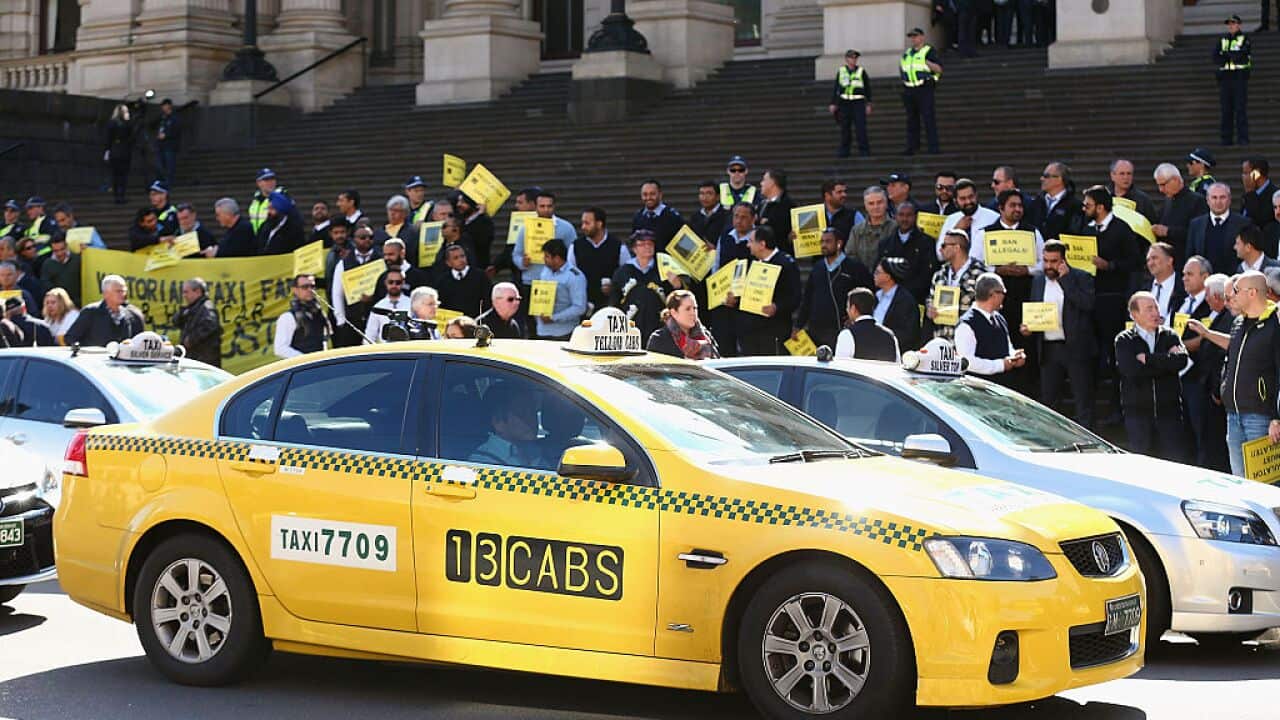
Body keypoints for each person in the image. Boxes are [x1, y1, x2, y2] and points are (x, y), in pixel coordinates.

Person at [1020, 240, 1097, 428]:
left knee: (1083, 401)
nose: (1048, 266)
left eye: (1053, 261)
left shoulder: (1081, 277)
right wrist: (1028, 328)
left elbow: (1087, 305)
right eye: (1045, 261)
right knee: (1049, 401)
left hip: (1075, 348)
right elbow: (1035, 310)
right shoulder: (1038, 281)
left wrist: (1066, 280)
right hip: (1048, 348)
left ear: (1064, 260)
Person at [1116, 291, 1189, 458]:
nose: (1155, 313)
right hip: (1138, 415)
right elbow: (1131, 371)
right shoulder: (1125, 340)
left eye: (1156, 307)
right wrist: (1166, 363)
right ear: (1134, 315)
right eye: (1149, 309)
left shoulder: (1169, 335)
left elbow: (1181, 361)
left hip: (1169, 414)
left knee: (1174, 461)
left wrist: (1148, 359)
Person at [974, 188, 1045, 342]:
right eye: (1013, 205)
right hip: (993, 296)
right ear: (1001, 208)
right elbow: (974, 264)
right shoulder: (984, 234)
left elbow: (1044, 262)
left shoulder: (1033, 232)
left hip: (1025, 295)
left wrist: (1027, 270)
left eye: (1020, 206)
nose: (1018, 209)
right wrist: (997, 270)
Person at [1185, 273, 1234, 471]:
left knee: (1217, 444)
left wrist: (1217, 390)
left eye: (1207, 295)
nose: (1205, 299)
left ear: (1217, 296)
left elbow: (1223, 356)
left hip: (1217, 393)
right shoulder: (1220, 316)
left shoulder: (1230, 318)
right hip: (1208, 388)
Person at [796, 227, 873, 349]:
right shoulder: (817, 267)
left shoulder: (854, 267)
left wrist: (854, 317)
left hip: (842, 330)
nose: (824, 245)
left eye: (828, 241)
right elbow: (807, 299)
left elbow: (866, 296)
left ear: (839, 243)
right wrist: (798, 325)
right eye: (822, 242)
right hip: (817, 330)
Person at [730, 225, 801, 356]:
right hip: (750, 333)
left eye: (751, 241)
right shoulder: (750, 262)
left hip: (774, 332)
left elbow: (795, 297)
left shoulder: (786, 263)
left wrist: (777, 307)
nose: (747, 245)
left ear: (762, 244)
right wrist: (734, 298)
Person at [956, 273, 1025, 386]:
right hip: (978, 390)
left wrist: (1015, 357)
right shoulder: (967, 324)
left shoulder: (999, 318)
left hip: (1003, 388)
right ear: (993, 295)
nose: (1004, 296)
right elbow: (967, 361)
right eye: (1003, 292)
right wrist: (1000, 365)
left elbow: (1007, 348)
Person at [927, 228, 987, 341]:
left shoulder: (980, 275)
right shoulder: (940, 274)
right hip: (942, 338)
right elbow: (930, 298)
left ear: (957, 248)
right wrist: (930, 308)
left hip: (970, 340)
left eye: (944, 245)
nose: (940, 249)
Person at [611, 230, 669, 341]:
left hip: (658, 326)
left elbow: (673, 297)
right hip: (630, 327)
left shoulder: (664, 268)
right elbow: (615, 300)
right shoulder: (623, 271)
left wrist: (676, 284)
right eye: (642, 244)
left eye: (650, 244)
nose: (647, 247)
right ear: (634, 248)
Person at [529, 238, 587, 341]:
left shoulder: (574, 276)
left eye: (547, 256)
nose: (544, 259)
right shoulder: (545, 271)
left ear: (557, 258)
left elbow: (579, 307)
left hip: (563, 333)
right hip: (542, 331)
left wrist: (554, 317)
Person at [1188, 183, 1252, 276]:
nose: (1218, 202)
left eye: (1222, 197)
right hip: (1204, 283)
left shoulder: (1243, 224)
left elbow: (1248, 255)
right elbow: (1191, 255)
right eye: (1214, 197)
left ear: (1229, 200)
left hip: (1234, 281)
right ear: (1207, 200)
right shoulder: (1196, 224)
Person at [576, 206, 631, 312]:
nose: (583, 227)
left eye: (587, 223)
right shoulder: (576, 246)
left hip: (611, 306)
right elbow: (572, 275)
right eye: (582, 223)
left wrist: (614, 287)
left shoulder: (618, 246)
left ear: (599, 224)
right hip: (585, 307)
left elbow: (627, 274)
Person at [64, 274, 145, 346]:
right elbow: (70, 338)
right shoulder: (91, 312)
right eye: (118, 291)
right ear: (106, 293)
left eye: (124, 291)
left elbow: (139, 344)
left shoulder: (133, 315)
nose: (123, 294)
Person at [879, 201, 935, 303]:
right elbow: (880, 271)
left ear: (915, 217)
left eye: (909, 215)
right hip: (889, 298)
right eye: (901, 215)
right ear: (895, 216)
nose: (905, 219)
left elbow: (927, 274)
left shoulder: (927, 242)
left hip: (917, 298)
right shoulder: (885, 244)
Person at [470, 391, 544, 468]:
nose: (531, 419)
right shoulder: (483, 461)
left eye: (533, 412)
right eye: (522, 414)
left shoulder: (535, 449)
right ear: (498, 423)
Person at [1153, 163, 1210, 262]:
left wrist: (1168, 231)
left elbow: (1198, 234)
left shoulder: (1197, 201)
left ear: (1175, 180)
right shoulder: (1168, 201)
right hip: (1168, 260)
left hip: (1187, 260)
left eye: (1163, 185)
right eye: (1158, 185)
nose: (1160, 190)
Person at [900, 27, 942, 155]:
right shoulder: (907, 53)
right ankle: (912, 147)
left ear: (922, 37)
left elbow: (939, 69)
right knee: (911, 120)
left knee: (928, 118)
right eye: (911, 37)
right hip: (909, 89)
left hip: (924, 88)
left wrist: (928, 63)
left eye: (916, 36)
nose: (913, 39)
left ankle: (933, 147)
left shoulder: (929, 51)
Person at [647, 290, 719, 359]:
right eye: (688, 309)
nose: (693, 313)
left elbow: (718, 362)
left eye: (695, 308)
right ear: (674, 312)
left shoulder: (705, 335)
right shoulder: (659, 339)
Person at [835, 287, 900, 361]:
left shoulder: (847, 334)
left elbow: (840, 368)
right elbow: (897, 367)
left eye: (847, 307)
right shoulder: (891, 336)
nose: (847, 310)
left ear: (853, 309)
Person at [828, 50, 872, 158]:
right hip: (845, 103)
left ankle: (864, 150)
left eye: (855, 58)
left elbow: (867, 88)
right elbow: (836, 88)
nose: (853, 60)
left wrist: (869, 103)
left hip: (858, 103)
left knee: (860, 128)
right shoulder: (841, 71)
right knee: (845, 128)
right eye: (851, 58)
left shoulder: (861, 71)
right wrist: (833, 103)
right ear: (847, 59)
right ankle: (844, 150)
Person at [1215, 15, 1252, 147]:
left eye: (1233, 23)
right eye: (1229, 24)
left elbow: (1240, 56)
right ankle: (1226, 140)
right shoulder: (1223, 39)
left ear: (1239, 25)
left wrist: (1226, 55)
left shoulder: (1245, 39)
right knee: (1226, 111)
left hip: (1239, 78)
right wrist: (1230, 55)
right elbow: (1215, 56)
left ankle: (1243, 139)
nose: (1231, 26)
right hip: (1225, 79)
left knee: (1240, 110)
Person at [274, 274, 330, 358]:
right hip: (301, 367)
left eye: (312, 286)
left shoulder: (319, 313)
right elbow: (280, 349)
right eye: (305, 287)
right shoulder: (288, 317)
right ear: (295, 290)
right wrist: (305, 360)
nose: (310, 290)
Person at [873, 256, 921, 353]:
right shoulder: (875, 296)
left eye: (878, 272)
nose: (874, 275)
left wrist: (883, 340)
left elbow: (909, 334)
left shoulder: (906, 301)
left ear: (888, 277)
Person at [1026, 161, 1082, 241]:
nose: (1041, 179)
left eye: (1046, 176)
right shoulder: (1036, 203)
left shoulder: (1074, 206)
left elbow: (1074, 233)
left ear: (1059, 179)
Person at [173, 278, 221, 367]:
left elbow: (209, 325)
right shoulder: (193, 307)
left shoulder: (206, 307)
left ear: (198, 292)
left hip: (204, 361)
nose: (184, 295)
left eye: (186, 292)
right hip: (194, 358)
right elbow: (176, 322)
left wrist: (191, 339)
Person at [847, 186, 896, 270]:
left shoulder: (896, 228)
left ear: (886, 203)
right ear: (865, 206)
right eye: (871, 203)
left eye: (879, 202)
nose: (876, 207)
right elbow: (850, 256)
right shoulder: (857, 230)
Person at [437, 243, 492, 317]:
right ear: (448, 263)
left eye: (462, 256)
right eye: (456, 258)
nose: (461, 260)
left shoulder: (480, 276)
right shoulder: (443, 281)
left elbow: (487, 300)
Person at [631, 179, 684, 249]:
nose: (648, 198)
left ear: (660, 194)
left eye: (652, 194)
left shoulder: (673, 216)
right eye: (645, 194)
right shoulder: (638, 217)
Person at [365, 268, 411, 343]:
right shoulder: (378, 306)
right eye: (390, 282)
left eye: (398, 282)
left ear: (403, 283)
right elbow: (370, 335)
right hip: (385, 350)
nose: (394, 285)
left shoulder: (411, 303)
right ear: (385, 283)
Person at [755, 169, 796, 255]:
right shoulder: (762, 204)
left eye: (764, 180)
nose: (761, 183)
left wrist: (767, 223)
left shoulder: (788, 205)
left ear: (772, 182)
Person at [1108, 159, 1159, 224]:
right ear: (1112, 175)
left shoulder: (1143, 200)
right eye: (1122, 174)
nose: (1126, 177)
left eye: (1129, 174)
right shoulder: (1103, 197)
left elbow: (1152, 224)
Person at [454, 191, 495, 271]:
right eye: (458, 201)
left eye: (463, 202)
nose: (458, 205)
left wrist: (480, 215)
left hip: (478, 269)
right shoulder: (462, 222)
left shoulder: (484, 222)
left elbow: (482, 241)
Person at [258, 190, 306, 255]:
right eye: (268, 208)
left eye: (272, 209)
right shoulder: (264, 226)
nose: (269, 212)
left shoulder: (294, 229)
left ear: (281, 210)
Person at [105, 104, 134, 204]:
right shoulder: (126, 124)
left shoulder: (112, 123)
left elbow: (108, 139)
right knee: (121, 175)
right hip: (122, 152)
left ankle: (118, 195)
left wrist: (107, 150)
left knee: (116, 175)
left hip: (116, 151)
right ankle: (120, 195)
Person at [39, 236, 81, 306]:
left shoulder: (77, 259)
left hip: (79, 302)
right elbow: (46, 285)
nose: (59, 253)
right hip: (60, 305)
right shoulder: (48, 264)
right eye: (56, 251)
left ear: (67, 247)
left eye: (62, 249)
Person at [1242, 157, 1277, 233]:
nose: (1243, 177)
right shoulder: (1247, 194)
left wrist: (1250, 193)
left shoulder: (1275, 195)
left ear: (1256, 173)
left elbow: (1258, 222)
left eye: (1245, 173)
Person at [689, 181, 729, 245]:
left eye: (709, 193)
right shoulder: (695, 217)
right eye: (702, 193)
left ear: (718, 197)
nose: (705, 197)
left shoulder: (727, 216)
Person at [249, 169, 283, 233]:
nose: (270, 182)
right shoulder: (255, 201)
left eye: (272, 179)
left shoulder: (281, 199)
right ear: (258, 183)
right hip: (259, 240)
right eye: (266, 179)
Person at [155, 98, 180, 186]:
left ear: (169, 106)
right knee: (160, 165)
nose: (163, 108)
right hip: (161, 145)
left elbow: (176, 131)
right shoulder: (163, 118)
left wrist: (166, 135)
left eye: (164, 106)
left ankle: (169, 182)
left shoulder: (174, 118)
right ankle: (162, 181)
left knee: (169, 165)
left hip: (170, 146)